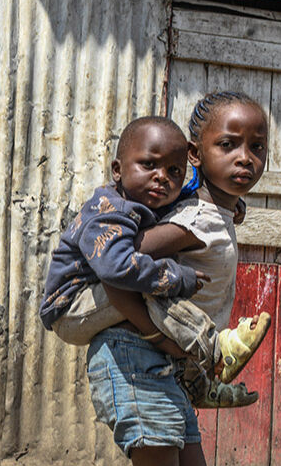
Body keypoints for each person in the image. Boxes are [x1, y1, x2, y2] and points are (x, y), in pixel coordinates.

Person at [32, 93, 270, 466]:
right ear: (199, 153)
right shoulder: (195, 219)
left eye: (256, 148)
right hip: (134, 353)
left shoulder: (212, 212)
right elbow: (116, 265)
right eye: (228, 145)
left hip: (156, 357)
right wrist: (163, 336)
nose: (245, 158)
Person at [41, 117, 268, 408]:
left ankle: (197, 383)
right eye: (149, 165)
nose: (162, 177)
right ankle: (215, 349)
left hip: (94, 300)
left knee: (146, 283)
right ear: (117, 170)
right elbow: (115, 267)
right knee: (148, 284)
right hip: (71, 308)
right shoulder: (108, 210)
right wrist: (174, 277)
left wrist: (232, 204)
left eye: (174, 171)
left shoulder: (145, 203)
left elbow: (182, 199)